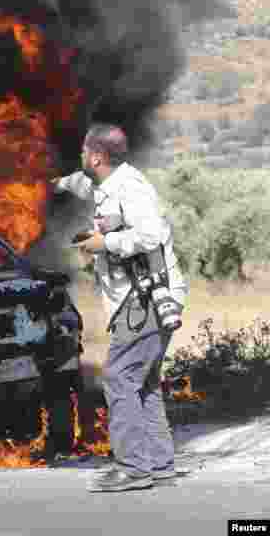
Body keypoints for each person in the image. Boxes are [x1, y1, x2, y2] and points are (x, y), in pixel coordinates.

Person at [52, 123, 188, 492]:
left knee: (119, 377)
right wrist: (49, 185)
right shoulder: (103, 184)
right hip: (136, 300)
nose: (81, 157)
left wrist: (104, 243)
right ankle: (159, 466)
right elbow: (79, 184)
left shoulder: (131, 188)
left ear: (97, 156)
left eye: (84, 151)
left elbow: (151, 235)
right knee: (143, 383)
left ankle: (133, 469)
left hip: (145, 298)